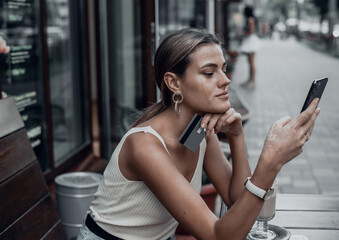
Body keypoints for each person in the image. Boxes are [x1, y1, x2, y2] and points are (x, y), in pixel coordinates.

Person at [77, 28, 320, 240]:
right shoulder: (144, 146)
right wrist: (271, 162)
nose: (225, 80)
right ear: (174, 83)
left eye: (224, 70)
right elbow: (219, 235)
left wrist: (236, 137)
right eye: (209, 72)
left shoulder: (200, 132)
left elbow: (237, 203)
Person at [239, 5, 261, 89]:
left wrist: (241, 32)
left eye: (244, 11)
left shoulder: (250, 20)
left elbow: (251, 32)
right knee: (250, 62)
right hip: (250, 41)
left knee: (251, 62)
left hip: (251, 41)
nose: (243, 12)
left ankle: (252, 81)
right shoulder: (250, 19)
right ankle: (250, 80)